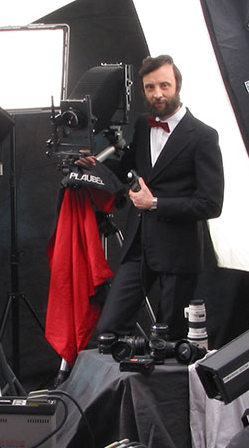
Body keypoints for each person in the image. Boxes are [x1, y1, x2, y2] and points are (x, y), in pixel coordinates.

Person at [76, 54, 224, 340]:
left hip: (179, 252)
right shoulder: (144, 125)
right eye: (150, 87)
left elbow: (211, 204)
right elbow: (128, 166)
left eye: (164, 85)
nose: (157, 94)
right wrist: (95, 165)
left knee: (170, 340)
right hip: (139, 245)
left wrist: (155, 203)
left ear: (177, 85)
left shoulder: (204, 136)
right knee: (108, 330)